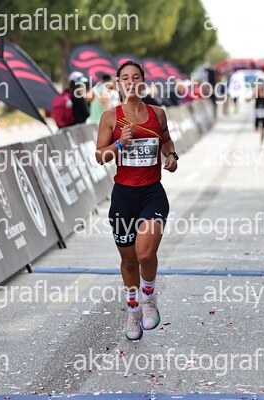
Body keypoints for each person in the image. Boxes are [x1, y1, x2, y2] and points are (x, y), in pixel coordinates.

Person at [95, 60, 178, 341]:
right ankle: (133, 310)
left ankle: (149, 298)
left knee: (145, 254)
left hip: (152, 193)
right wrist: (119, 144)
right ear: (119, 84)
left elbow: (166, 141)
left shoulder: (158, 113)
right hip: (123, 196)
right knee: (129, 261)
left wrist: (171, 156)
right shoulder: (110, 117)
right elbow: (100, 156)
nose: (131, 82)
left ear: (143, 82)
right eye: (125, 78)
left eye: (136, 77)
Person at [247, 81, 264, 145]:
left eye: (262, 86)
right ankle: (258, 129)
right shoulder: (256, 93)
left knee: (263, 129)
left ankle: (261, 142)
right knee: (256, 129)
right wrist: (247, 99)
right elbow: (250, 99)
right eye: (259, 86)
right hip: (257, 114)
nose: (260, 87)